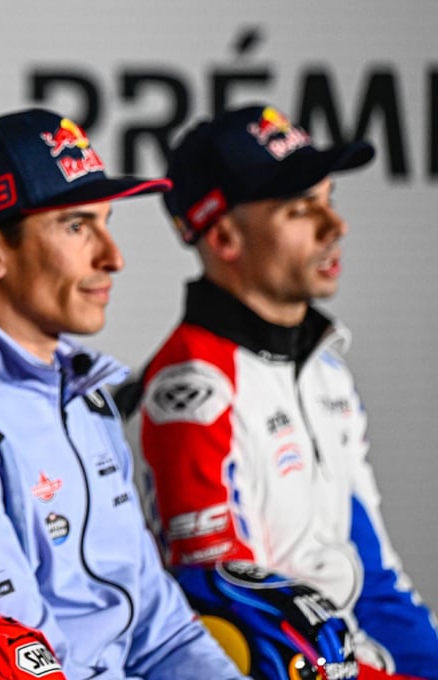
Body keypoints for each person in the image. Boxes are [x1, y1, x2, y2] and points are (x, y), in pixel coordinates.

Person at [0, 108, 245, 679]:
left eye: (106, 222)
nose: (113, 257)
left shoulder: (84, 396)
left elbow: (164, 631)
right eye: (76, 226)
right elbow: (20, 665)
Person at [137, 103, 438, 677]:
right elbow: (241, 621)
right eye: (301, 210)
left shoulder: (326, 372)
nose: (335, 227)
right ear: (224, 236)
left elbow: (374, 578)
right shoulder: (192, 391)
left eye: (329, 200)